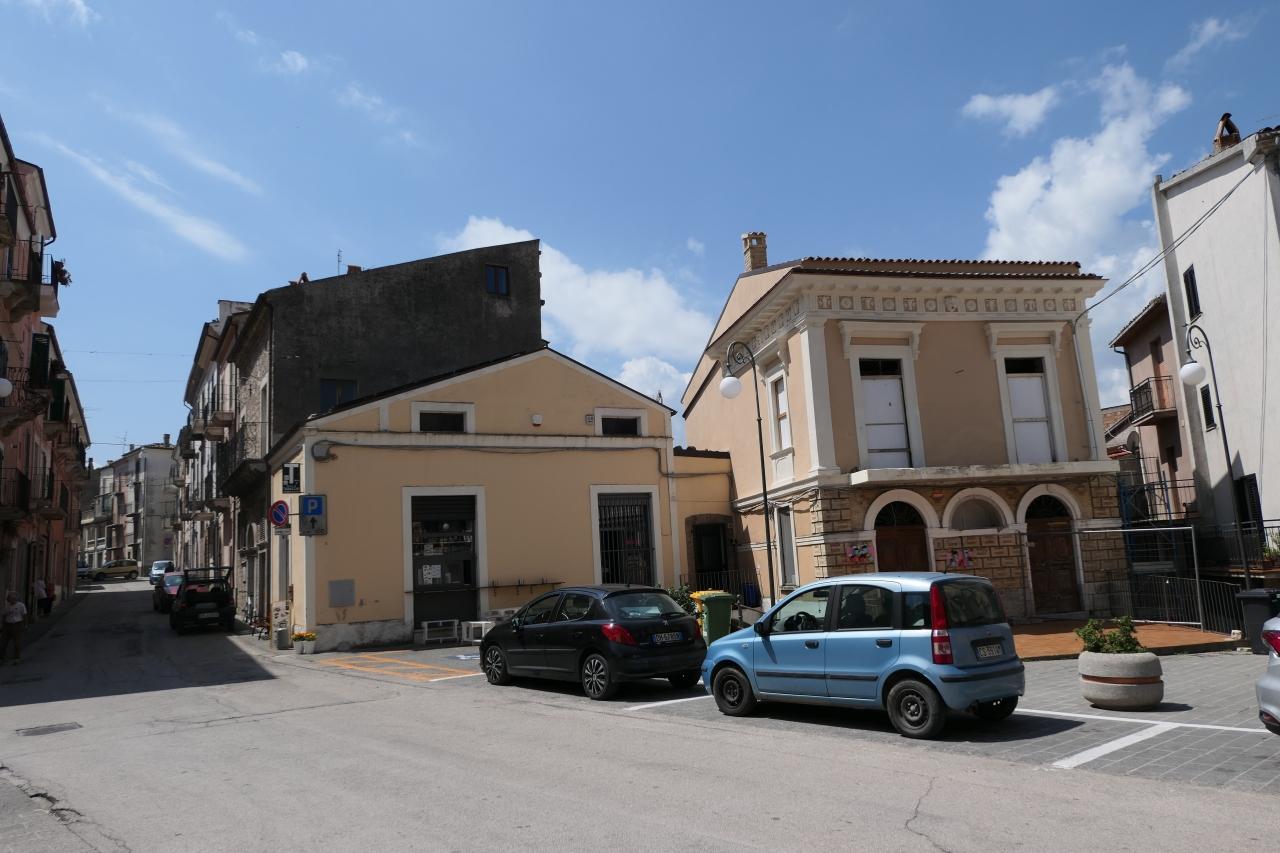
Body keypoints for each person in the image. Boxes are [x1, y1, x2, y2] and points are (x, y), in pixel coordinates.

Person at [1, 591, 27, 664]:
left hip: (17, 624)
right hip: (7, 625)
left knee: (17, 642)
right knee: (3, 642)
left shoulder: (21, 605)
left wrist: (25, 625)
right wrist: (3, 626)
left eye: (14, 598)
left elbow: (24, 615)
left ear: (16, 598)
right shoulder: (7, 606)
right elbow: (4, 616)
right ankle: (2, 657)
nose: (12, 600)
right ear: (8, 599)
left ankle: (17, 658)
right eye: (11, 599)